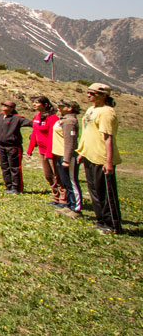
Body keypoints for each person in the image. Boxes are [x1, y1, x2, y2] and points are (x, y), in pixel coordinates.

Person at [76, 84, 122, 234]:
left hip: (101, 157)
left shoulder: (107, 113)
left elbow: (108, 137)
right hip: (90, 155)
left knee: (106, 192)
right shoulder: (91, 109)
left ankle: (112, 223)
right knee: (94, 190)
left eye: (93, 93)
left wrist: (108, 161)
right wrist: (82, 152)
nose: (89, 95)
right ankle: (100, 219)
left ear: (103, 96)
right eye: (88, 92)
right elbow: (88, 132)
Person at [0, 100, 33, 194]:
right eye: (3, 104)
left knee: (15, 167)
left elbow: (32, 124)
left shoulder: (17, 118)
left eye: (6, 105)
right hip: (1, 145)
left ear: (12, 108)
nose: (4, 106)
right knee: (4, 167)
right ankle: (8, 186)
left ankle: (17, 188)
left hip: (13, 146)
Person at [26, 96, 61, 205]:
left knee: (57, 175)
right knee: (48, 175)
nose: (34, 105)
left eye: (37, 103)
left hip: (51, 150)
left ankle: (63, 198)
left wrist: (49, 152)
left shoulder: (53, 118)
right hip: (41, 150)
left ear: (45, 104)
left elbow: (52, 136)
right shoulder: (36, 116)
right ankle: (55, 196)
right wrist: (30, 149)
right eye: (34, 103)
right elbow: (34, 133)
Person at [53, 99, 82, 217]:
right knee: (65, 182)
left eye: (62, 106)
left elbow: (70, 142)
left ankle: (76, 208)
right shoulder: (64, 119)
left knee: (72, 182)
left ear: (70, 108)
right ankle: (69, 205)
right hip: (60, 154)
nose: (59, 108)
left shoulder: (70, 121)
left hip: (66, 156)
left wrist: (67, 159)